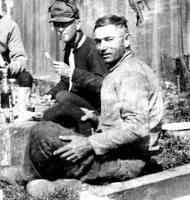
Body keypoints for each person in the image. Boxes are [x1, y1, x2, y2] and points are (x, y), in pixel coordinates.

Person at [0, 15, 163, 197]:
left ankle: (50, 182)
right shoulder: (121, 68)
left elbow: (138, 128)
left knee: (44, 133)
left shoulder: (132, 74)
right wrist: (98, 118)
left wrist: (88, 143)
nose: (102, 47)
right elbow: (126, 120)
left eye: (109, 40)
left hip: (129, 161)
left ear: (126, 40)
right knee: (46, 129)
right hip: (115, 152)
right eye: (99, 41)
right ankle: (42, 180)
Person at [42, 0, 107, 135]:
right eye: (57, 25)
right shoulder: (70, 46)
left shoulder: (91, 48)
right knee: (47, 113)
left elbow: (102, 84)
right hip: (77, 104)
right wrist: (50, 94)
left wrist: (71, 72)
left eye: (65, 25)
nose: (60, 29)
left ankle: (88, 132)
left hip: (97, 110)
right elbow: (66, 81)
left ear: (77, 24)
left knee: (63, 97)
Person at [0, 8, 33, 87]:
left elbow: (20, 59)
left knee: (26, 78)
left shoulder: (9, 26)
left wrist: (7, 69)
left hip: (2, 70)